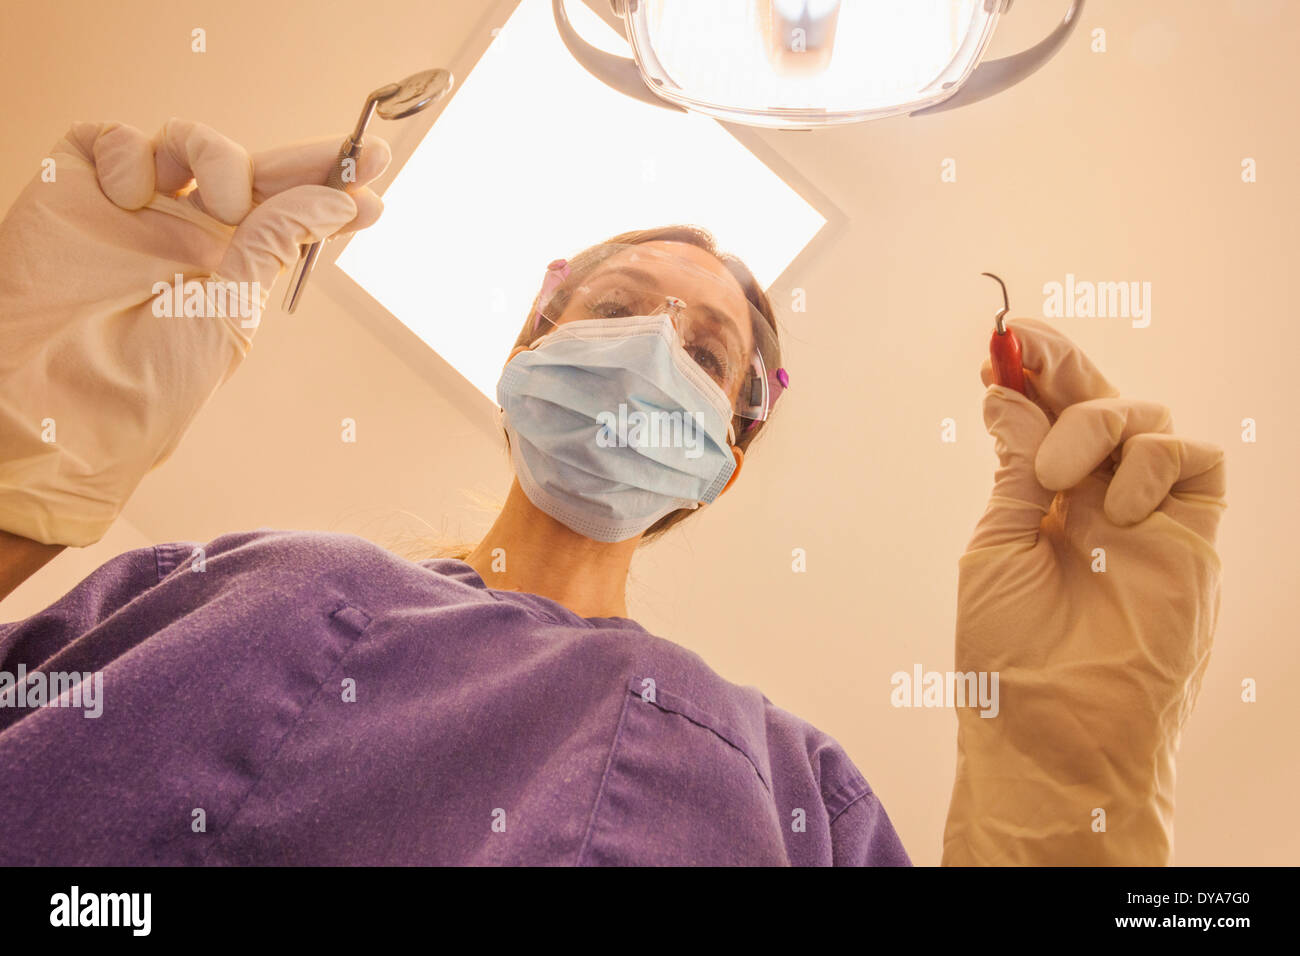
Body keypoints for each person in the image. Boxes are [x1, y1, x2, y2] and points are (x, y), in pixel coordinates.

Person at [0, 121, 1226, 866]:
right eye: (615, 308)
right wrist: (18, 473)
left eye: (701, 352)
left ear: (725, 457)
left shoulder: (799, 788)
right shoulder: (240, 584)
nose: (648, 352)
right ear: (526, 346)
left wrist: (1069, 796)